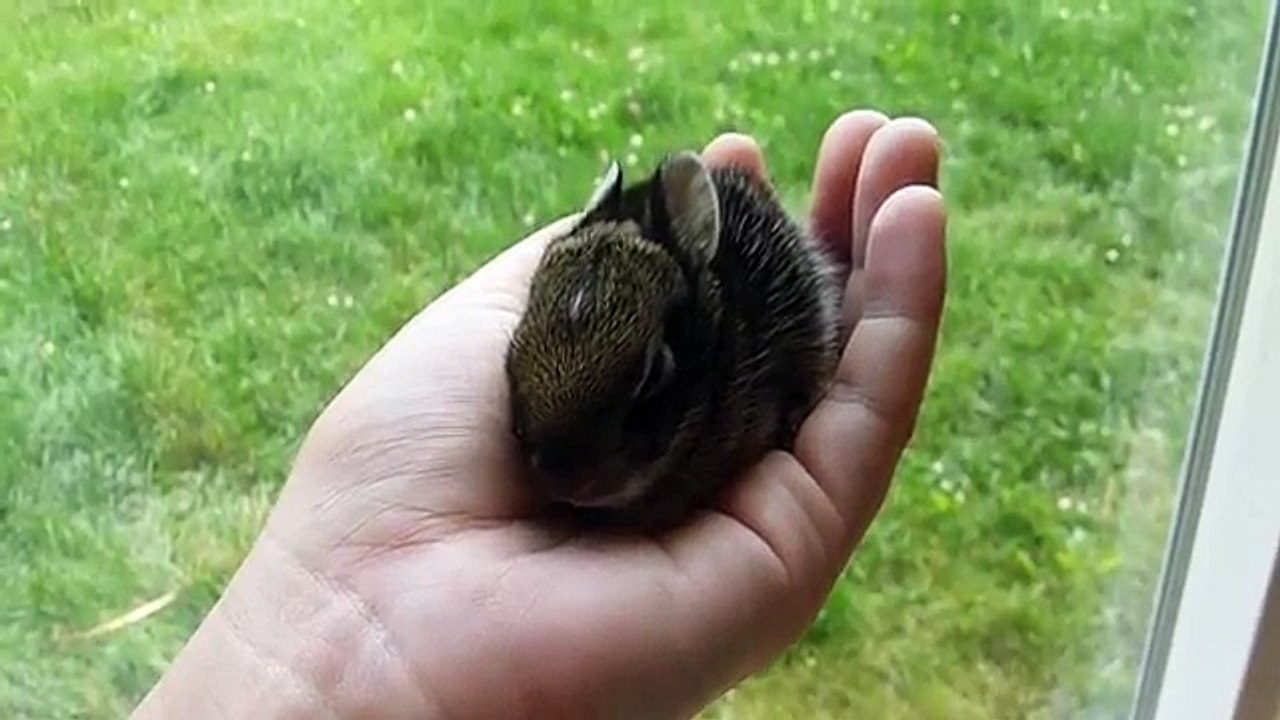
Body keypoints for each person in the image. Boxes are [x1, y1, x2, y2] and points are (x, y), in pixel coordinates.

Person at [129, 108, 946, 719]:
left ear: (685, 356)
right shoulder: (560, 408)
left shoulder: (728, 373)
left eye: (637, 397)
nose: (563, 479)